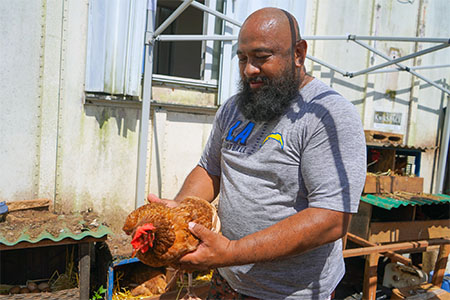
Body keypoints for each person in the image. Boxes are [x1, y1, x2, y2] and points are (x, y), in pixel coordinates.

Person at [149, 7, 366, 300]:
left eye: (261, 58)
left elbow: (331, 218)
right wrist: (180, 213)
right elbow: (209, 169)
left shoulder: (328, 115)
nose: (249, 69)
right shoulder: (234, 108)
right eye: (242, 58)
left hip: (290, 293)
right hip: (228, 280)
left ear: (299, 53)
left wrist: (232, 252)